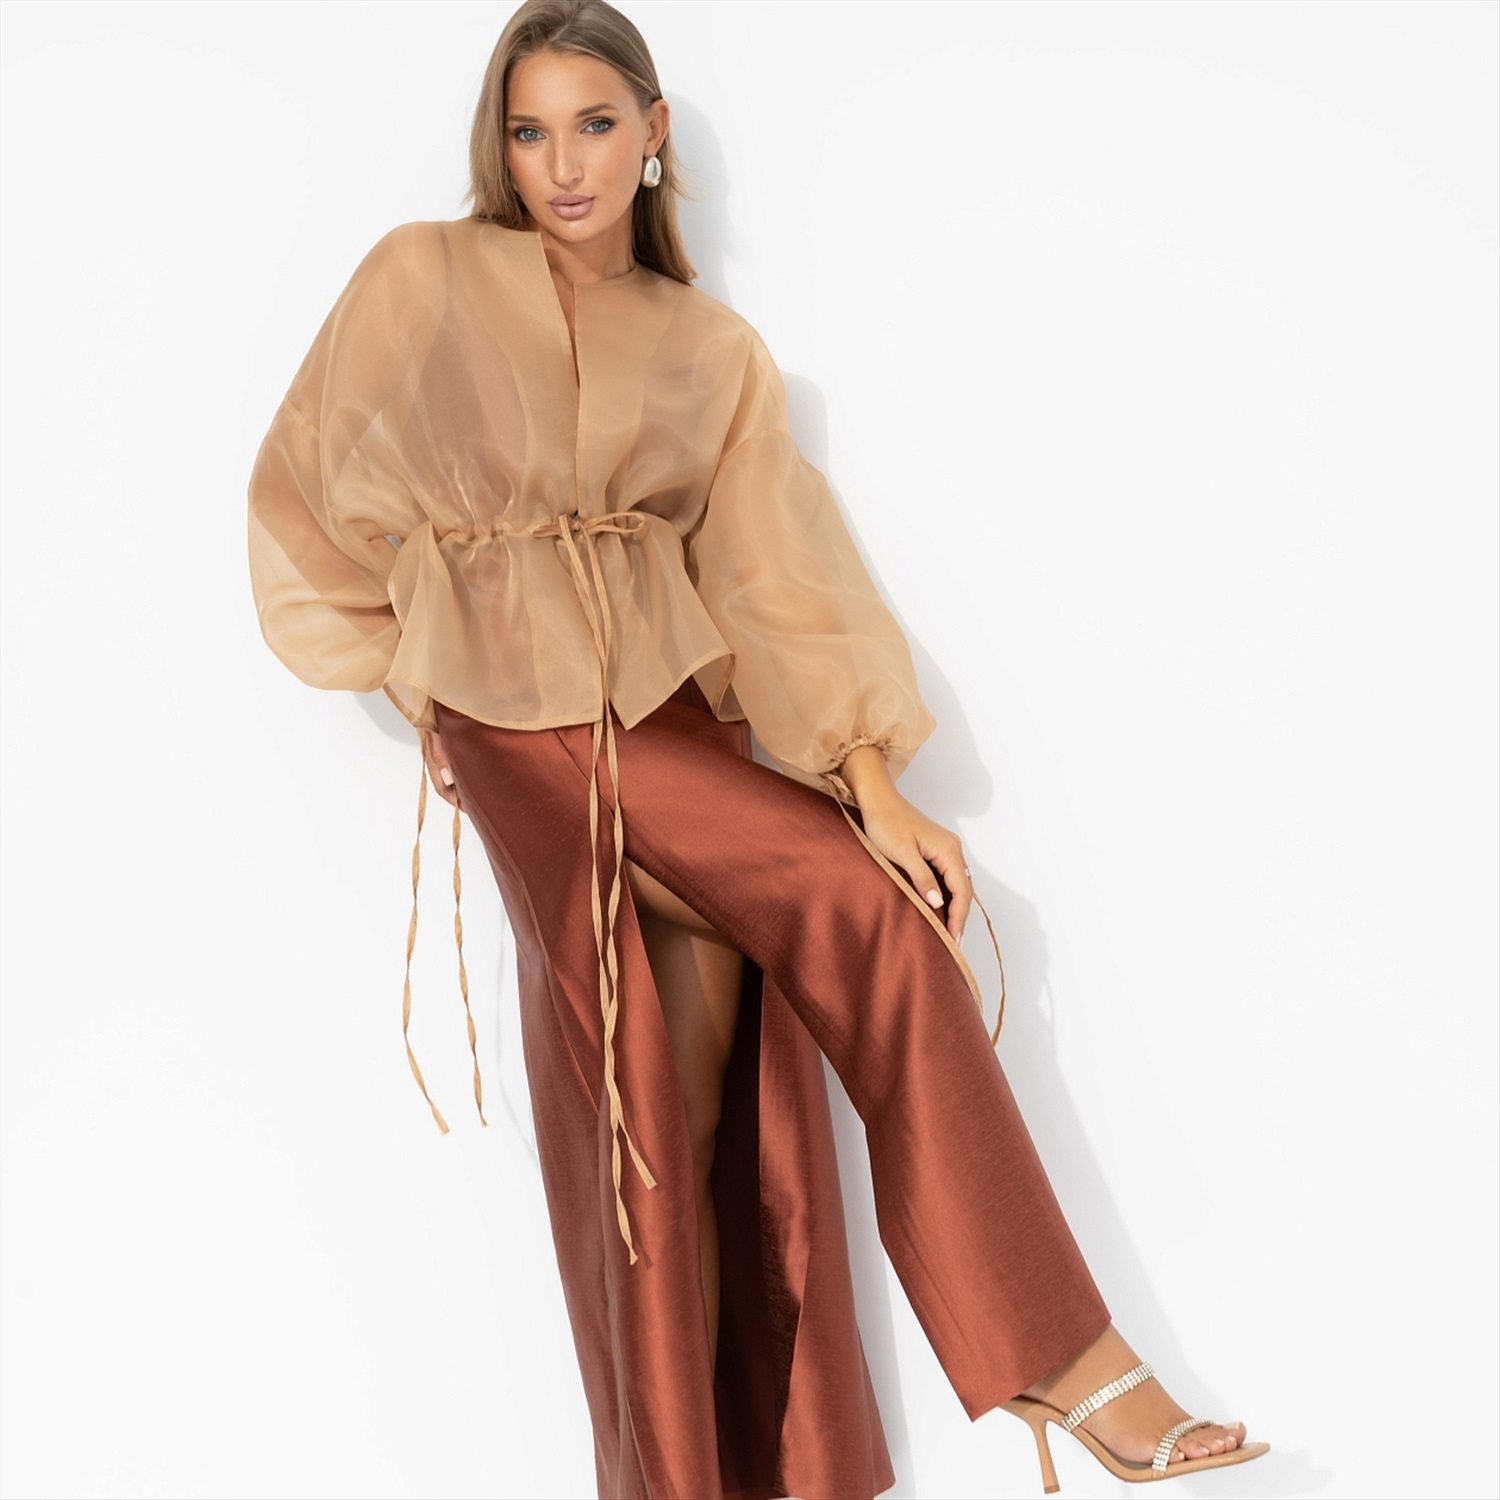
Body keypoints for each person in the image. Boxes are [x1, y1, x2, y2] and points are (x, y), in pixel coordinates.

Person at [246, 2, 1268, 1494]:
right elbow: (302, 497)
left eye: (596, 126)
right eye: (530, 132)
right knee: (857, 923)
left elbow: (777, 573)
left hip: (673, 719)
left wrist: (872, 783)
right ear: (499, 148)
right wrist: (434, 690)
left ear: (654, 133)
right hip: (519, 720)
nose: (563, 165)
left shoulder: (710, 350)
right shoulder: (425, 278)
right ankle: (1068, 1359)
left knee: (679, 1106)